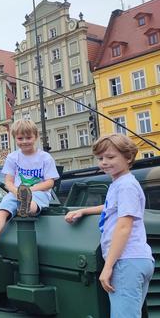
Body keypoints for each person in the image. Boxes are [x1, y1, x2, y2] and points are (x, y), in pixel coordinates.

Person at [65, 134, 154, 317]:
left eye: (111, 157)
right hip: (137, 259)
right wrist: (84, 210)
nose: (104, 162)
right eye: (100, 158)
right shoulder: (120, 183)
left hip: (125, 261)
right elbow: (110, 207)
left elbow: (124, 227)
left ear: (128, 157)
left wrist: (108, 267)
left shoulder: (126, 186)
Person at [0, 119, 59, 253]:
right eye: (20, 138)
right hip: (16, 193)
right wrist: (17, 192)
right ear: (15, 138)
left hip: (39, 192)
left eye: (28, 137)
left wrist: (29, 190)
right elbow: (8, 182)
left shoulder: (45, 158)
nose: (25, 141)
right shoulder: (12, 158)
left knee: (31, 205)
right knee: (2, 210)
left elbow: (50, 182)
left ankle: (25, 207)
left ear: (36, 137)